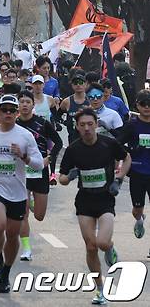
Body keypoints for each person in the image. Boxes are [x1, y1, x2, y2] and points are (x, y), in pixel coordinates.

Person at [59, 107, 131, 305]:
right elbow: (61, 178)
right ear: (77, 127)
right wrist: (70, 176)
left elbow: (126, 158)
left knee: (102, 243)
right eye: (82, 125)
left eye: (90, 124)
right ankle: (100, 289)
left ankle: (110, 248)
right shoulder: (73, 149)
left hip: (106, 199)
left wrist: (119, 179)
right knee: (91, 246)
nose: (87, 128)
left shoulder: (109, 144)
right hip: (84, 201)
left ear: (97, 124)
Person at [0, 95, 44, 293]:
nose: (7, 113)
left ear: (16, 113)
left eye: (11, 110)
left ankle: (6, 272)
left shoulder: (25, 136)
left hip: (17, 192)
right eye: (3, 109)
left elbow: (39, 164)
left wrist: (23, 156)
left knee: (12, 235)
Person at [15, 90, 62, 261]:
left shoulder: (42, 123)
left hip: (39, 170)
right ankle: (26, 248)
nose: (25, 105)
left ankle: (32, 203)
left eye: (28, 102)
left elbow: (59, 142)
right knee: (23, 213)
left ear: (33, 105)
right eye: (22, 102)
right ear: (18, 106)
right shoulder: (14, 124)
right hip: (21, 172)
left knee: (39, 216)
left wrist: (49, 158)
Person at [115, 89, 150, 255]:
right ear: (137, 105)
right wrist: (133, 149)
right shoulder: (132, 125)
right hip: (137, 171)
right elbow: (118, 144)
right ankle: (139, 219)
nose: (147, 107)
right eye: (143, 104)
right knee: (137, 209)